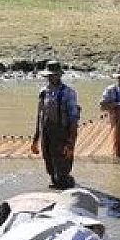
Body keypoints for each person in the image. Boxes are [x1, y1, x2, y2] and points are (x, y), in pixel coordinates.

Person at [30, 61, 79, 190]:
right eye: (50, 75)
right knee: (50, 169)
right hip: (47, 133)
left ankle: (68, 190)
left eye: (54, 75)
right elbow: (39, 115)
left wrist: (70, 142)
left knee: (62, 171)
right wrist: (36, 138)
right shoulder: (43, 92)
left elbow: (74, 118)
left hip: (62, 133)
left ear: (60, 75)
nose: (52, 78)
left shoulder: (69, 93)